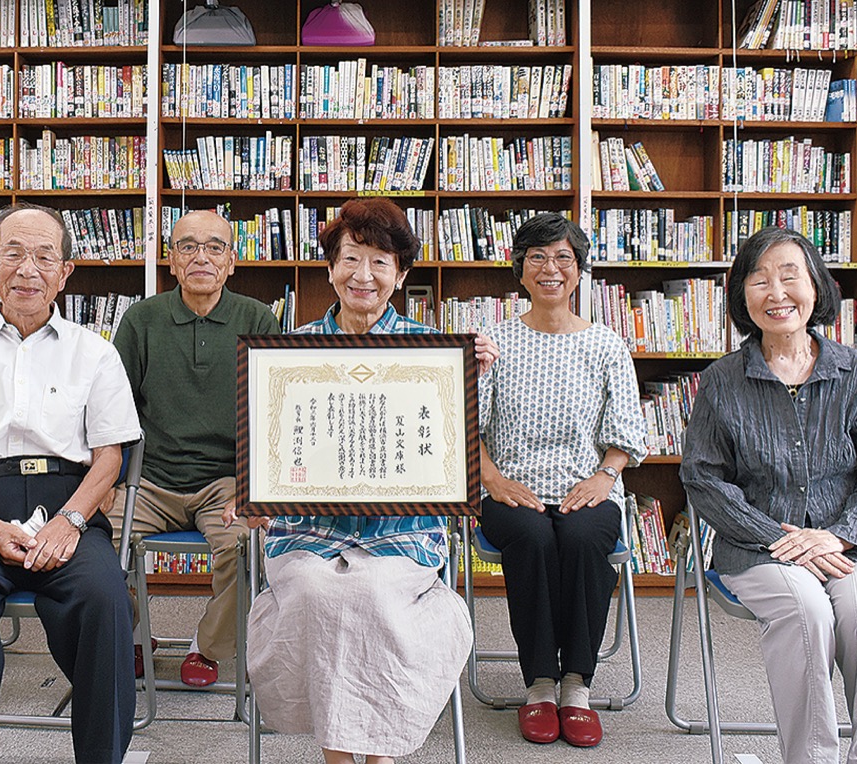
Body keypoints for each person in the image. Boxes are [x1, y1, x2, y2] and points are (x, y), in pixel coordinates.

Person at [244, 197, 498, 764]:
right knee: (316, 591)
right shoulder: (288, 352)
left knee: (374, 592)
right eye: (350, 259)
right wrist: (257, 493)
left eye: (380, 262)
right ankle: (344, 757)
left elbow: (449, 454)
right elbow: (269, 446)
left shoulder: (435, 351)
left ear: (402, 274)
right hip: (307, 532)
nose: (364, 276)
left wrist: (471, 379)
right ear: (329, 267)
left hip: (401, 533)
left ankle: (378, 755)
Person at [0, 203, 142, 763]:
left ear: (66, 272)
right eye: (13, 254)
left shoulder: (97, 353)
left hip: (68, 504)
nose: (28, 269)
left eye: (44, 256)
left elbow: (108, 459)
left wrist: (70, 520)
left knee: (105, 598)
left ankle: (102, 755)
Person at [680, 226, 857, 764]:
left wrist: (837, 536)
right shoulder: (721, 381)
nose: (776, 292)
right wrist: (781, 538)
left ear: (816, 288)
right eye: (758, 281)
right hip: (759, 548)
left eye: (789, 276)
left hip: (850, 544)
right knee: (807, 610)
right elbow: (704, 481)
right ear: (742, 298)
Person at [477, 213, 647, 748]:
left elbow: (625, 431)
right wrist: (491, 477)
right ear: (520, 271)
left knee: (579, 538)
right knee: (530, 537)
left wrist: (605, 476)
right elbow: (467, 426)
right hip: (510, 486)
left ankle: (576, 684)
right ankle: (539, 685)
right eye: (537, 258)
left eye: (563, 258)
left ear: (580, 271)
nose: (551, 268)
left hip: (587, 484)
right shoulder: (494, 342)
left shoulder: (607, 345)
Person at [110, 209, 280, 687]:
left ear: (231, 261)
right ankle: (130, 635)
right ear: (170, 260)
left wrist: (250, 490)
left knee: (246, 544)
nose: (200, 256)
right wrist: (108, 481)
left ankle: (207, 647)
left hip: (225, 481)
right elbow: (113, 409)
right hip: (150, 478)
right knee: (95, 539)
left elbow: (274, 413)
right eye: (187, 246)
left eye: (214, 247)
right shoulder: (142, 320)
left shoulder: (257, 318)